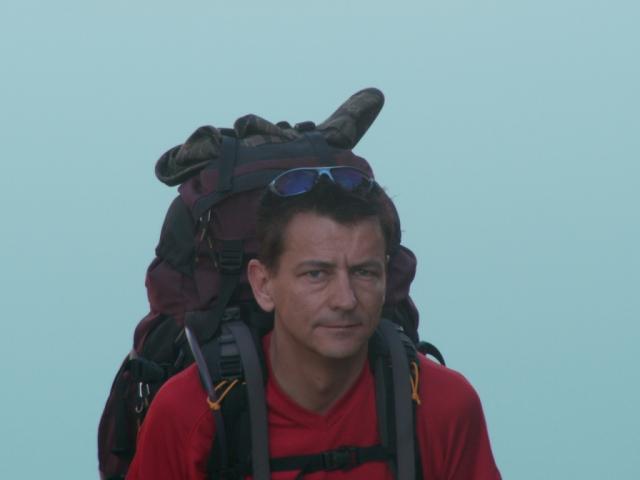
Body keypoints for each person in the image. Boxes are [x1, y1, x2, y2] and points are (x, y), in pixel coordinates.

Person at [126, 167, 501, 479]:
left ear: (387, 278)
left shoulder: (443, 406)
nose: (345, 299)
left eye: (364, 272)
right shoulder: (191, 414)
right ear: (263, 284)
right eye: (316, 274)